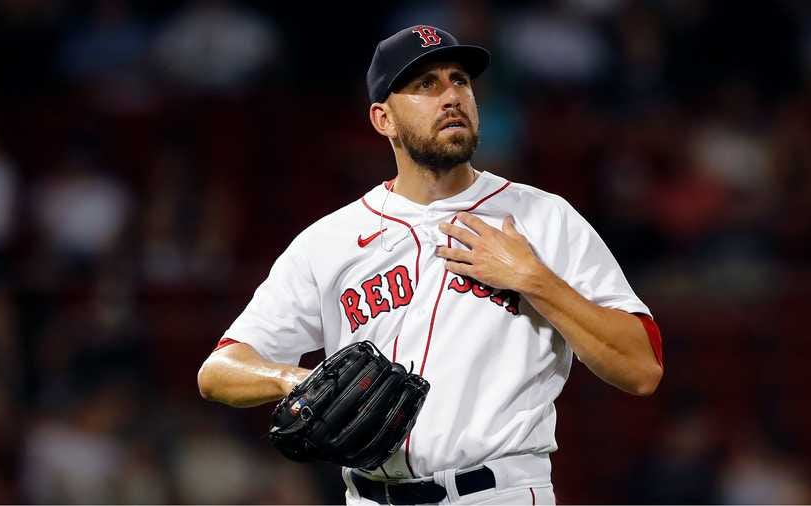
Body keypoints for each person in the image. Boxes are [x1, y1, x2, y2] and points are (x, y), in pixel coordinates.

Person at [197, 25, 664, 505]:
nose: (451, 96)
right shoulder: (328, 242)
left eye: (459, 80)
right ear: (384, 119)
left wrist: (534, 280)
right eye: (426, 85)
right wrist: (297, 380)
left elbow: (641, 367)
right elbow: (218, 371)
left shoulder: (543, 218)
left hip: (494, 494)